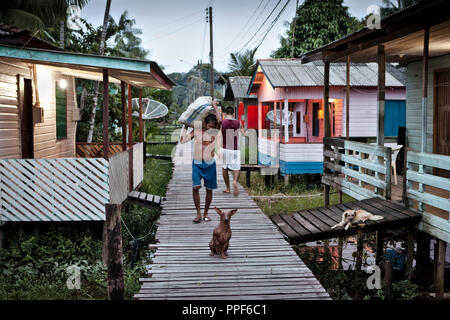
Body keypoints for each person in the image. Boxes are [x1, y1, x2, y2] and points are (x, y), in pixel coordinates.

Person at [180, 101, 221, 223]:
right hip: (197, 163)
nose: (211, 128)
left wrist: (214, 106)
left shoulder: (214, 131)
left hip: (210, 164)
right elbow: (183, 140)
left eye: (213, 126)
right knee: (195, 188)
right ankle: (198, 213)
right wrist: (185, 126)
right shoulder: (197, 130)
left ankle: (206, 213)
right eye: (209, 125)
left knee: (209, 189)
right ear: (205, 123)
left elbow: (220, 121)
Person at [221, 106, 246, 196]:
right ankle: (235, 181)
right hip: (235, 149)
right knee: (236, 168)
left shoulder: (222, 122)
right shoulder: (238, 122)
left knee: (224, 169)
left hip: (225, 148)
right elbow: (244, 133)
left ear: (225, 114)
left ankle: (228, 188)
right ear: (233, 114)